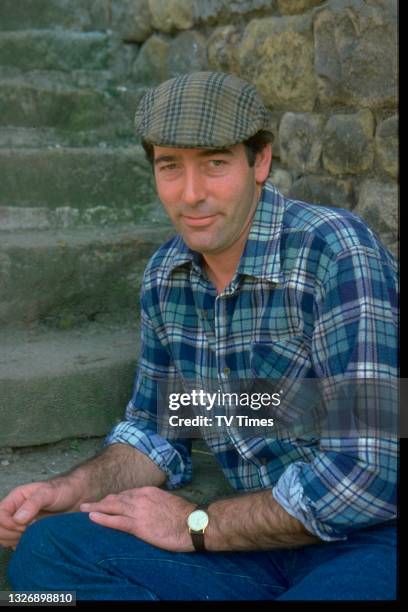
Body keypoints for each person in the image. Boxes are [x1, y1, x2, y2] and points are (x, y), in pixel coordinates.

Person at [1, 71, 398, 601]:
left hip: (369, 541)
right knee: (41, 567)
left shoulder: (335, 251)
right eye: (170, 167)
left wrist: (197, 525)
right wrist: (69, 488)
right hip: (252, 547)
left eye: (214, 163)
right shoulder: (167, 276)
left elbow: (368, 476)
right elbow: (159, 431)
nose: (191, 194)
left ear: (259, 162)